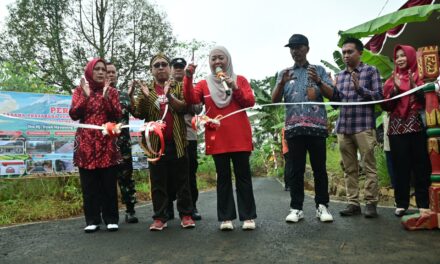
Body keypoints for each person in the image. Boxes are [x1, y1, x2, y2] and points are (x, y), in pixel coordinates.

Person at [184, 46, 257, 230]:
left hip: (240, 137)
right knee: (223, 178)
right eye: (213, 59)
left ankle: (248, 217)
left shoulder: (240, 79)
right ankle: (226, 218)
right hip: (217, 138)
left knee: (243, 177)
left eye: (221, 58)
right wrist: (188, 77)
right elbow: (191, 99)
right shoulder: (203, 84)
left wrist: (234, 87)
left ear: (228, 60)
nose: (217, 62)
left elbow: (250, 102)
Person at [317, 37, 383, 218]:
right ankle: (353, 203)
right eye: (343, 52)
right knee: (349, 168)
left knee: (369, 165)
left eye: (349, 52)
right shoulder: (339, 76)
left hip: (363, 126)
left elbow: (379, 97)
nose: (346, 55)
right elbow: (336, 105)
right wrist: (329, 88)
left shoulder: (371, 71)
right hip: (343, 127)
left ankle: (370, 203)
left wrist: (360, 88)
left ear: (360, 52)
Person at [272, 34, 334, 223]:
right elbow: (274, 101)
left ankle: (322, 207)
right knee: (296, 170)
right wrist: (282, 83)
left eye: (298, 47)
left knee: (319, 169)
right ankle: (296, 208)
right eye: (292, 48)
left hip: (317, 127)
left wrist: (319, 81)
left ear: (307, 48)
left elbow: (331, 95)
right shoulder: (284, 73)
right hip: (293, 128)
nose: (295, 51)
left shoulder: (319, 70)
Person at [131, 53, 195, 231]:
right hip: (155, 146)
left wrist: (169, 96)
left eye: (164, 64)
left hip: (179, 142)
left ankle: (186, 215)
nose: (160, 68)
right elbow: (139, 114)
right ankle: (160, 217)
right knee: (158, 182)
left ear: (169, 68)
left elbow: (185, 108)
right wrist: (144, 97)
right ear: (151, 70)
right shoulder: (146, 91)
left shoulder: (179, 86)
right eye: (156, 65)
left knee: (183, 181)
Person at [69, 58, 122, 233]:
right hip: (86, 144)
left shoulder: (112, 91)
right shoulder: (79, 91)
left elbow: (117, 116)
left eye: (103, 69)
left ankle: (111, 218)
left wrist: (107, 98)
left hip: (106, 143)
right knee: (89, 184)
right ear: (89, 72)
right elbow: (74, 114)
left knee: (108, 182)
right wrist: (85, 96)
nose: (101, 72)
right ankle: (92, 219)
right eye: (97, 69)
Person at [382, 45, 431, 217]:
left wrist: (414, 87)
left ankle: (423, 203)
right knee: (400, 167)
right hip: (396, 129)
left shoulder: (421, 77)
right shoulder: (391, 79)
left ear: (410, 57)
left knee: (420, 166)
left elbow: (427, 102)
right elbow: (386, 106)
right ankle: (401, 203)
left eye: (403, 55)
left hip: (417, 127)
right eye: (397, 56)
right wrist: (394, 90)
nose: (400, 59)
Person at [167, 57, 203, 221]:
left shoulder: (193, 87)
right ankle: (167, 208)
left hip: (189, 135)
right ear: (171, 69)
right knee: (168, 173)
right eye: (176, 66)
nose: (179, 69)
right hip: (169, 135)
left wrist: (185, 101)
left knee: (189, 173)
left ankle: (191, 207)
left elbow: (197, 108)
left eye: (181, 67)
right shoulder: (165, 87)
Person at [106, 62, 138, 223]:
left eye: (113, 72)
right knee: (106, 180)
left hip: (123, 145)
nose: (111, 75)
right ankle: (109, 213)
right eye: (108, 72)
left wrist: (132, 96)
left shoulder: (124, 95)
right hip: (105, 145)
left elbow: (137, 113)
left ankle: (131, 210)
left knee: (126, 178)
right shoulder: (98, 95)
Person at [281, 128, 293, 192]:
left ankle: (287, 185)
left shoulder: (284, 128)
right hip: (288, 150)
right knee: (289, 168)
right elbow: (286, 140)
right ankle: (288, 185)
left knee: (287, 167)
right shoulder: (286, 128)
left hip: (285, 151)